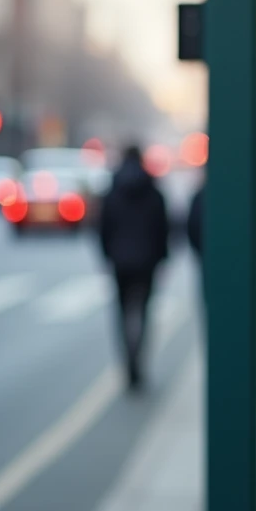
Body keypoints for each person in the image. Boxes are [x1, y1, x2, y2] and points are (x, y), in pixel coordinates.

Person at [99, 145, 169, 391]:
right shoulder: (153, 191)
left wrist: (108, 255)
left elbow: (103, 228)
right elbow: (163, 229)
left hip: (120, 262)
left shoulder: (112, 191)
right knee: (143, 313)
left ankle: (128, 362)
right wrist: (162, 257)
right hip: (147, 261)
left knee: (122, 314)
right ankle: (138, 359)